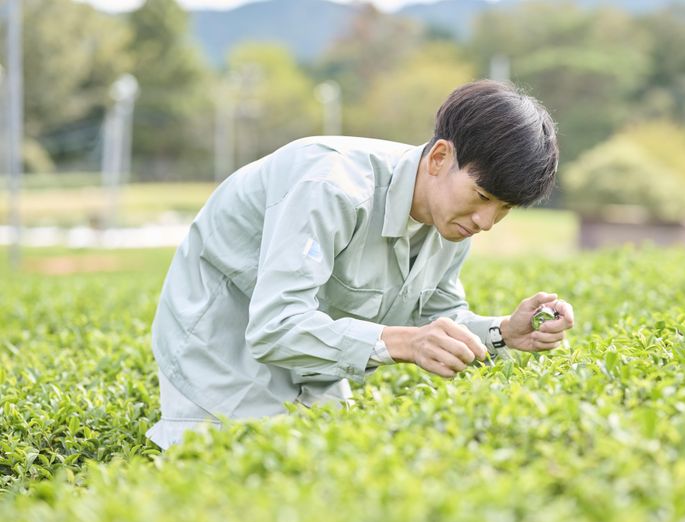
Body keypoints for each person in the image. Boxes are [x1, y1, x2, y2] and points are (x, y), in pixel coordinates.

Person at [145, 79, 574, 450]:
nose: (486, 222)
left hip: (311, 354)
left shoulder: (453, 221)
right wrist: (404, 343)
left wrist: (503, 331)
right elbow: (275, 325)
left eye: (504, 209)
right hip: (219, 344)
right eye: (483, 197)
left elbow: (437, 318)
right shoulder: (331, 185)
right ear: (440, 158)